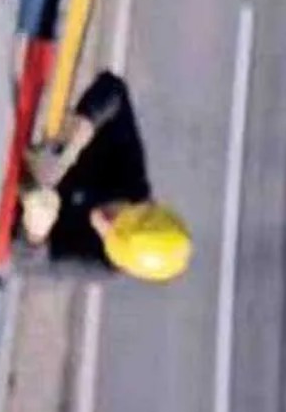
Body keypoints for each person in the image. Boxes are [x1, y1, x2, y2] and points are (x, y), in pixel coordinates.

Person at [18, 70, 193, 282]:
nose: (106, 221)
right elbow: (113, 90)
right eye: (120, 218)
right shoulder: (130, 178)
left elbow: (28, 265)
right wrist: (73, 141)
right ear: (145, 205)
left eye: (111, 235)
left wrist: (35, 232)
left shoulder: (100, 263)